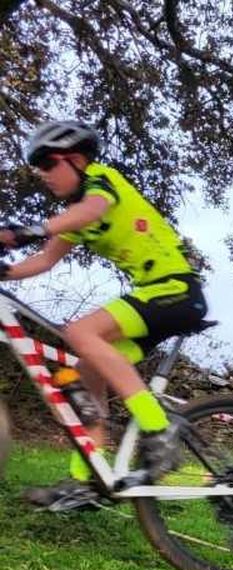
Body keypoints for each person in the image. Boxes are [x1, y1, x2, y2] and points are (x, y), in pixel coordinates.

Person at [0, 120, 207, 512]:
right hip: (155, 297)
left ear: (75, 160)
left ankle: (158, 430)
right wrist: (6, 271)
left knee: (81, 332)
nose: (43, 174)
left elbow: (92, 209)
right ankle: (86, 482)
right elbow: (45, 259)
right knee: (85, 373)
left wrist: (24, 229)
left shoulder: (101, 182)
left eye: (47, 163)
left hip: (176, 290)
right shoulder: (76, 216)